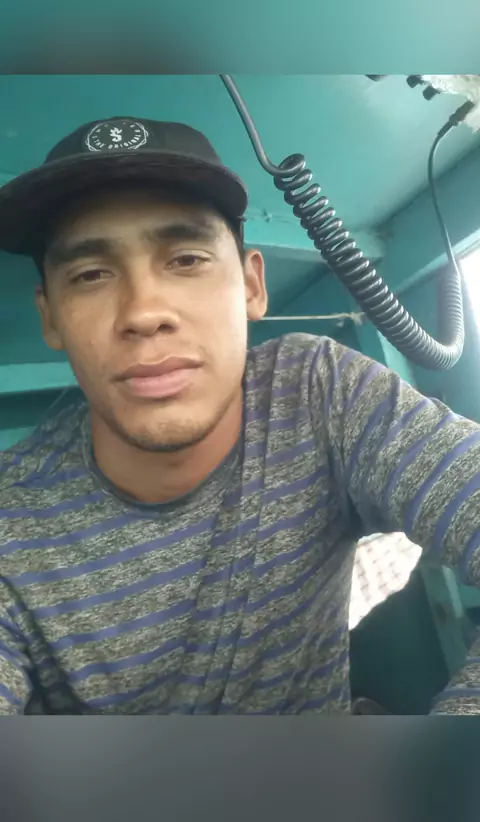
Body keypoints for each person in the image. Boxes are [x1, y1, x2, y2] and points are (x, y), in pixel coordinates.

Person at [0, 116, 479, 716]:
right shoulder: (12, 521)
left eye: (187, 259)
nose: (143, 312)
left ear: (252, 286)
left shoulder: (318, 392)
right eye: (91, 274)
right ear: (50, 316)